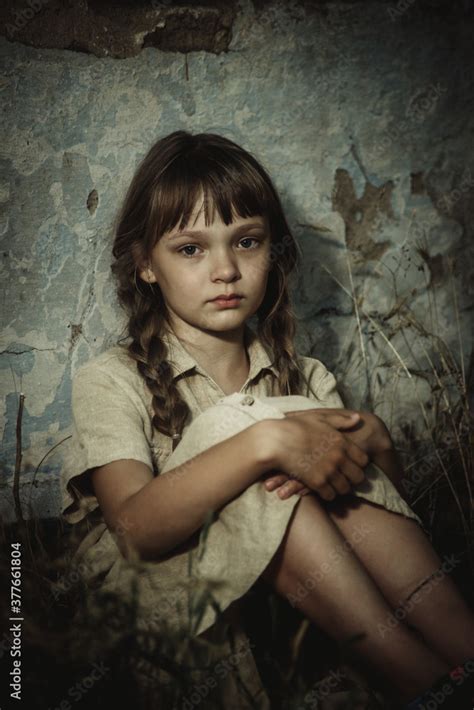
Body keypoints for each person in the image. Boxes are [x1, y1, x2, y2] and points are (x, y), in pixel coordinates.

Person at [60, 130, 474, 710]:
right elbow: (133, 533)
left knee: (305, 448)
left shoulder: (303, 374)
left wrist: (375, 439)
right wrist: (265, 443)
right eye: (190, 249)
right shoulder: (111, 379)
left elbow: (382, 509)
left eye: (247, 242)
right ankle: (419, 679)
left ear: (272, 252)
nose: (225, 269)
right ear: (144, 265)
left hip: (299, 603)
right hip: (165, 599)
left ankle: (462, 653)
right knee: (253, 445)